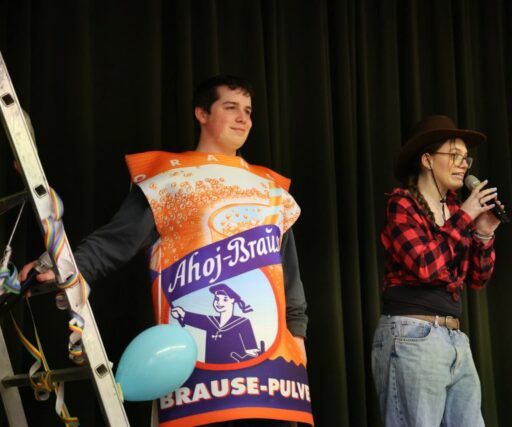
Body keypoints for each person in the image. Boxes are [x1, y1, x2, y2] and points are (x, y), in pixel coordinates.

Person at [20, 75, 312, 426]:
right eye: (231, 107)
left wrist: (297, 336)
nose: (243, 119)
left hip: (272, 377)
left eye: (248, 111)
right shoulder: (169, 178)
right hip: (192, 377)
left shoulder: (272, 188)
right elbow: (117, 241)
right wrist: (62, 267)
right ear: (202, 114)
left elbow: (288, 273)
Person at [371, 115, 503, 427]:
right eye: (454, 155)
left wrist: (483, 234)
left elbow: (477, 278)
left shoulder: (457, 211)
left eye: (465, 158)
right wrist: (466, 217)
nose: (463, 165)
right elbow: (425, 267)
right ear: (427, 160)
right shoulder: (402, 204)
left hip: (455, 338)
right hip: (412, 334)